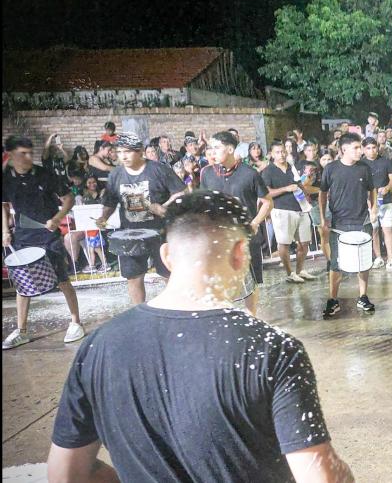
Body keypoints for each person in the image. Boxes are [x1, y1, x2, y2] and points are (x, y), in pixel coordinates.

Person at [47, 191, 354, 482]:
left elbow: (66, 475)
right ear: (239, 255)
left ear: (166, 256)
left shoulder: (99, 346)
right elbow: (319, 475)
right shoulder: (272, 348)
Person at [1, 136, 85, 350]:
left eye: (30, 152)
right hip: (23, 235)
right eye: (23, 153)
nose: (29, 157)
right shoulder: (5, 178)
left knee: (62, 278)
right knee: (22, 283)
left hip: (48, 233)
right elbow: (4, 204)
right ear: (10, 155)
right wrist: (5, 230)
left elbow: (68, 199)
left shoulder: (45, 175)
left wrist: (57, 218)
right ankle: (22, 331)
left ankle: (76, 322)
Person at [97, 133, 186, 304]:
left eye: (128, 152)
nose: (123, 156)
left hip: (160, 232)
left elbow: (181, 193)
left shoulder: (158, 169)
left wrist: (164, 207)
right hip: (131, 235)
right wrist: (103, 217)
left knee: (168, 273)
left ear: (140, 152)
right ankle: (139, 313)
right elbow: (110, 201)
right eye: (120, 151)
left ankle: (175, 308)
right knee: (134, 277)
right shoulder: (116, 174)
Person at [199, 131, 274, 315]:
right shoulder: (207, 174)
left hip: (246, 237)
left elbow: (268, 202)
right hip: (219, 238)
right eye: (211, 148)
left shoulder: (249, 174)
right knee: (220, 278)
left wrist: (255, 223)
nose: (212, 152)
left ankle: (252, 317)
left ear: (231, 149)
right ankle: (225, 315)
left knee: (252, 279)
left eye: (217, 148)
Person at [319, 133, 377, 317]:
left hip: (362, 221)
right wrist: (322, 217)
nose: (360, 151)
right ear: (344, 149)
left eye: (360, 147)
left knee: (364, 261)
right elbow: (322, 193)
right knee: (336, 263)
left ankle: (363, 296)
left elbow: (372, 189)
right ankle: (332, 299)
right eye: (356, 148)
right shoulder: (331, 169)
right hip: (339, 223)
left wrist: (374, 207)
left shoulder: (364, 168)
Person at [262, 142, 317, 284]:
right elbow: (266, 192)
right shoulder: (268, 171)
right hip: (282, 209)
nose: (281, 154)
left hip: (300, 207)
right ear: (272, 154)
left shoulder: (291, 167)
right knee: (284, 242)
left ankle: (300, 270)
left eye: (283, 151)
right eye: (278, 152)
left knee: (304, 242)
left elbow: (299, 184)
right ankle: (289, 272)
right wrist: (285, 189)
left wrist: (305, 195)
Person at [362, 137, 392, 272]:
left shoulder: (385, 162)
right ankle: (378, 257)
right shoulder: (361, 164)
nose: (371, 151)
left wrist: (386, 187)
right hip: (369, 203)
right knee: (374, 230)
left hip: (385, 201)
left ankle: (391, 258)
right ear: (363, 149)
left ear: (377, 147)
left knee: (387, 230)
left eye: (374, 147)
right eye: (368, 148)